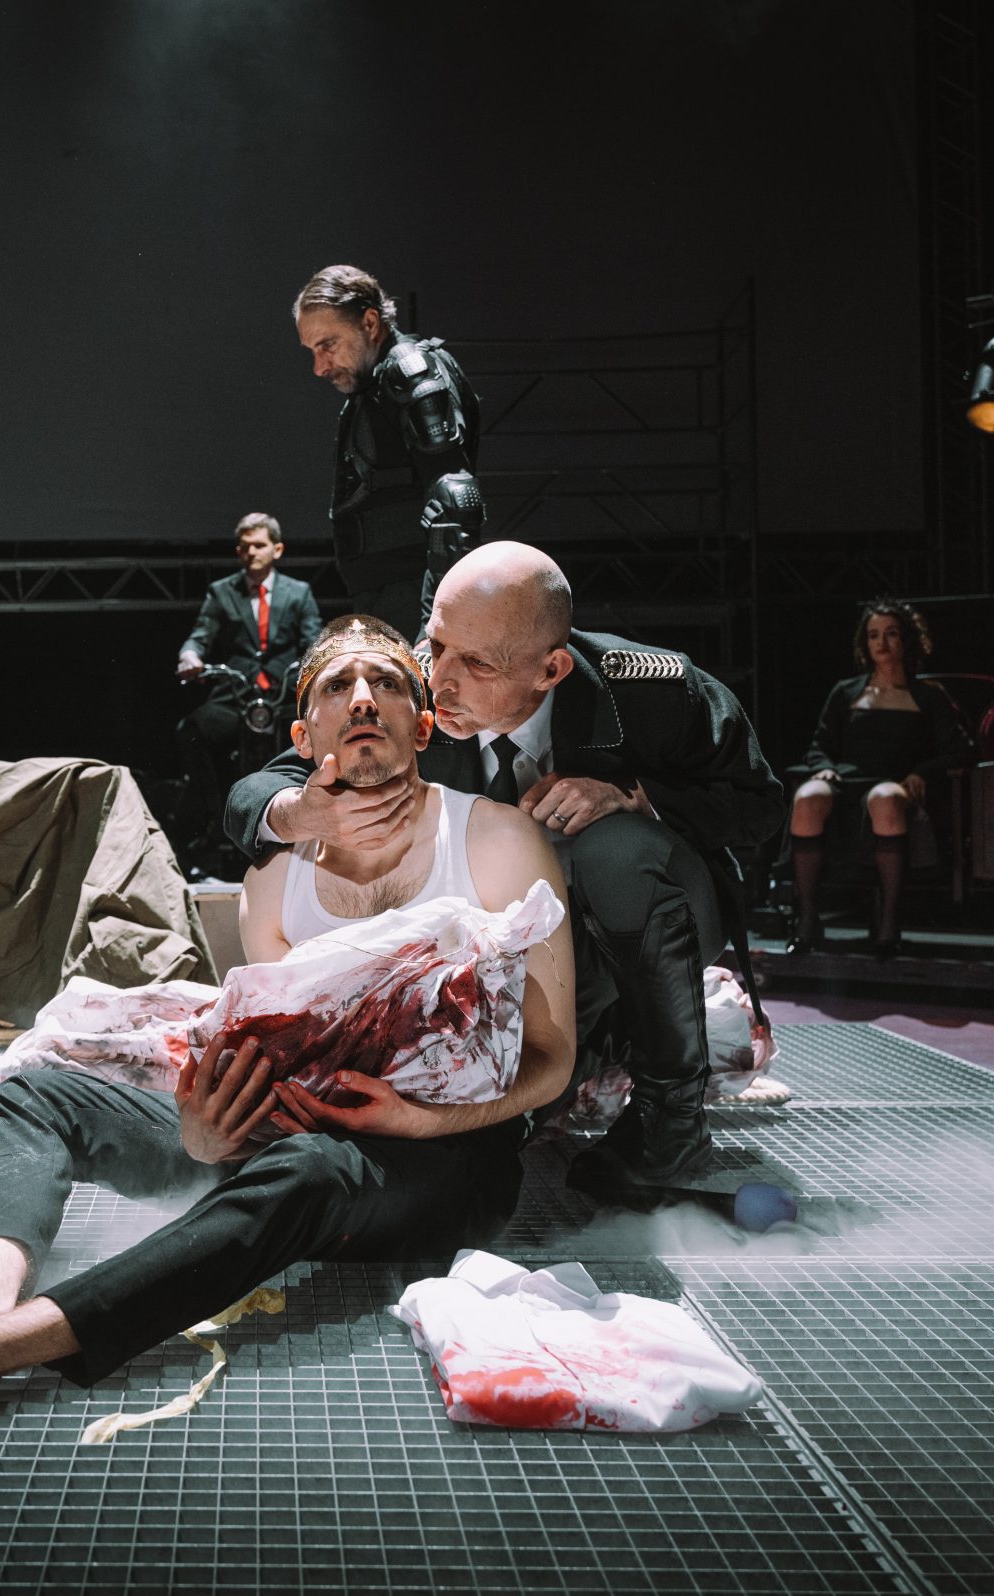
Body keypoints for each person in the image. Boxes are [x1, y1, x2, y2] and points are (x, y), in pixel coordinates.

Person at [0, 616, 573, 1472]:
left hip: (441, 1161)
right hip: (293, 1146)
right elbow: (276, 1050)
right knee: (32, 1090)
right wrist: (203, 1135)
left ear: (424, 726)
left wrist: (420, 1122)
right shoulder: (277, 872)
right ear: (304, 737)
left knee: (309, 1173)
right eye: (338, 686)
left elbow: (553, 1062)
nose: (363, 699)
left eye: (386, 682)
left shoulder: (495, 839)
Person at [223, 542, 785, 1211]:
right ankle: (592, 1058)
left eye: (476, 664)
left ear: (551, 669)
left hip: (652, 910)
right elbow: (267, 784)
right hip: (515, 953)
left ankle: (672, 1121)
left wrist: (633, 795)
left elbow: (761, 810)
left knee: (617, 853)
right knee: (500, 1114)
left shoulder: (647, 692)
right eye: (436, 646)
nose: (439, 679)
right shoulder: (415, 690)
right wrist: (296, 813)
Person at [294, 264, 484, 634]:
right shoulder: (375, 383)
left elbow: (456, 497)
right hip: (389, 599)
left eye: (327, 345)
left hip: (415, 602)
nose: (319, 367)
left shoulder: (410, 372)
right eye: (312, 351)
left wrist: (435, 626)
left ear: (369, 322)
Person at [787, 600, 973, 957]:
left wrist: (921, 773)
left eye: (890, 634)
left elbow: (960, 750)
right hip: (846, 780)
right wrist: (823, 765)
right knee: (807, 796)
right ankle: (807, 919)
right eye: (873, 635)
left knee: (883, 798)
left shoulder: (928, 696)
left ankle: (889, 924)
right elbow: (819, 745)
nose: (881, 643)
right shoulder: (846, 691)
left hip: (894, 782)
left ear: (906, 640)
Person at [172, 513, 321, 870]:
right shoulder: (222, 592)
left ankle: (310, 810)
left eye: (259, 545)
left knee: (319, 730)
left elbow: (314, 638)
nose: (251, 552)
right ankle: (214, 810)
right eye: (244, 547)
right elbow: (200, 635)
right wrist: (190, 656)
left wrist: (315, 661)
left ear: (277, 549)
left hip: (283, 695)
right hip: (236, 696)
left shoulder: (298, 592)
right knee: (193, 730)